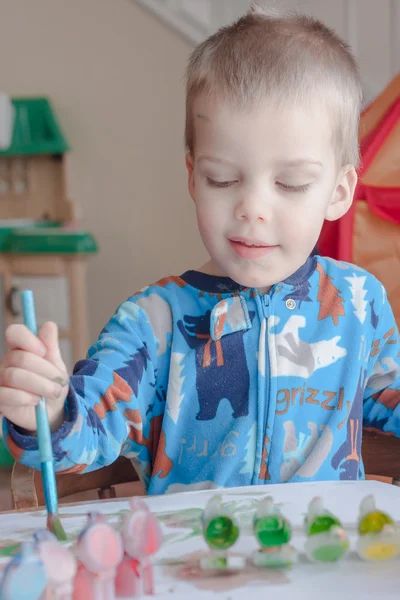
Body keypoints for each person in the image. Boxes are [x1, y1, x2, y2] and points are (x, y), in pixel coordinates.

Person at [1, 4, 399, 495]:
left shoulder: (360, 304)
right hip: (192, 565)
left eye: (291, 183)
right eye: (223, 178)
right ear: (192, 176)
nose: (252, 208)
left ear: (338, 191)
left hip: (323, 561)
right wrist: (50, 409)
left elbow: (389, 397)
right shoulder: (152, 322)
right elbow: (81, 443)